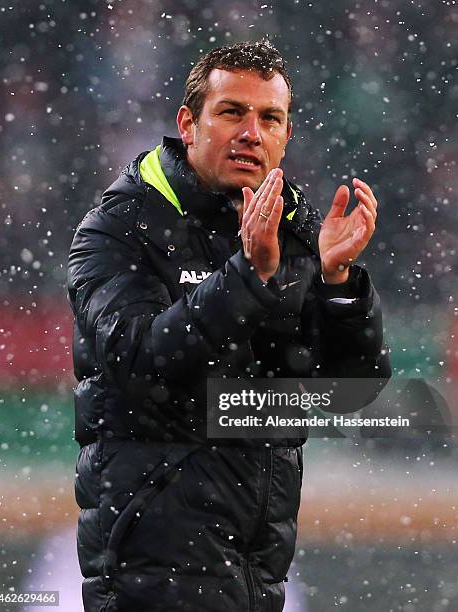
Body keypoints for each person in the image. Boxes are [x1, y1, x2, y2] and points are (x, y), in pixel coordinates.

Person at [68, 40, 391, 612]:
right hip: (152, 566)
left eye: (270, 118)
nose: (251, 132)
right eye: (231, 112)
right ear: (188, 124)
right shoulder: (119, 228)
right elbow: (141, 362)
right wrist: (249, 276)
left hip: (257, 568)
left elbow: (352, 391)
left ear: (286, 136)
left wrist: (340, 283)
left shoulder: (297, 230)